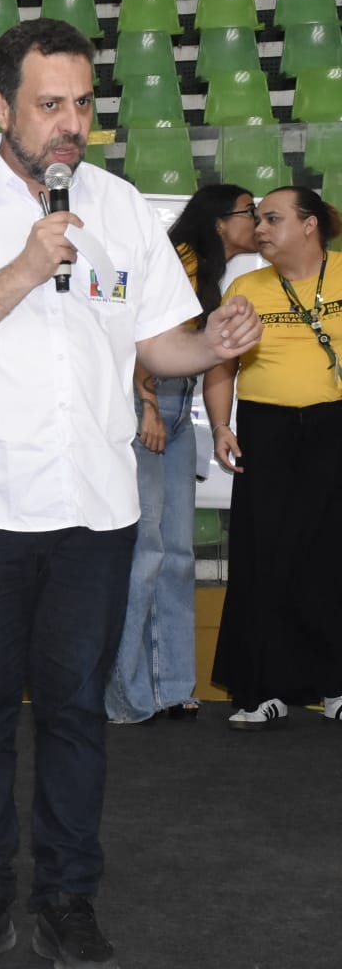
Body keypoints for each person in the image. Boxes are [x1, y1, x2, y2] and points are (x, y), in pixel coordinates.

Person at [0, 19, 262, 969]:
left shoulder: (121, 204)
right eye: (49, 104)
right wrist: (26, 265)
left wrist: (213, 344)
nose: (70, 124)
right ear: (0, 106)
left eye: (83, 104)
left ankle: (67, 897)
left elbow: (159, 343)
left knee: (72, 713)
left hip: (96, 508)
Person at [106, 184, 259, 724]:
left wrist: (219, 426)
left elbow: (215, 360)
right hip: (143, 401)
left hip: (176, 406)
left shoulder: (212, 272)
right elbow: (134, 335)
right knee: (146, 550)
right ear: (219, 221)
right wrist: (147, 405)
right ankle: (126, 694)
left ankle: (171, 686)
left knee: (175, 552)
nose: (257, 220)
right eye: (248, 211)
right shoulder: (181, 260)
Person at [205, 186, 342, 730]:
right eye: (257, 219)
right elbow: (222, 364)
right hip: (266, 431)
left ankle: (336, 686)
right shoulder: (246, 287)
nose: (259, 228)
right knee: (262, 557)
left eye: (272, 218)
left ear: (309, 225)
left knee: (331, 557)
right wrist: (222, 425)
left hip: (335, 427)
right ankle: (263, 689)